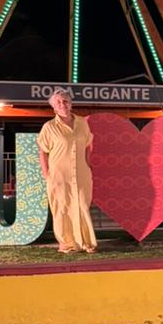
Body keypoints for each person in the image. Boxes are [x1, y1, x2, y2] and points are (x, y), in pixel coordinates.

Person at [36, 88, 97, 254]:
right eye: (58, 102)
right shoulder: (49, 127)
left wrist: (87, 164)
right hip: (58, 175)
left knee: (83, 205)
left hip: (82, 173)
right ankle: (67, 244)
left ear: (71, 104)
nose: (62, 104)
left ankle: (86, 242)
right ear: (54, 108)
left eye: (65, 101)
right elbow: (42, 151)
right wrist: (46, 173)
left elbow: (87, 146)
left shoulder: (82, 123)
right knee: (62, 208)